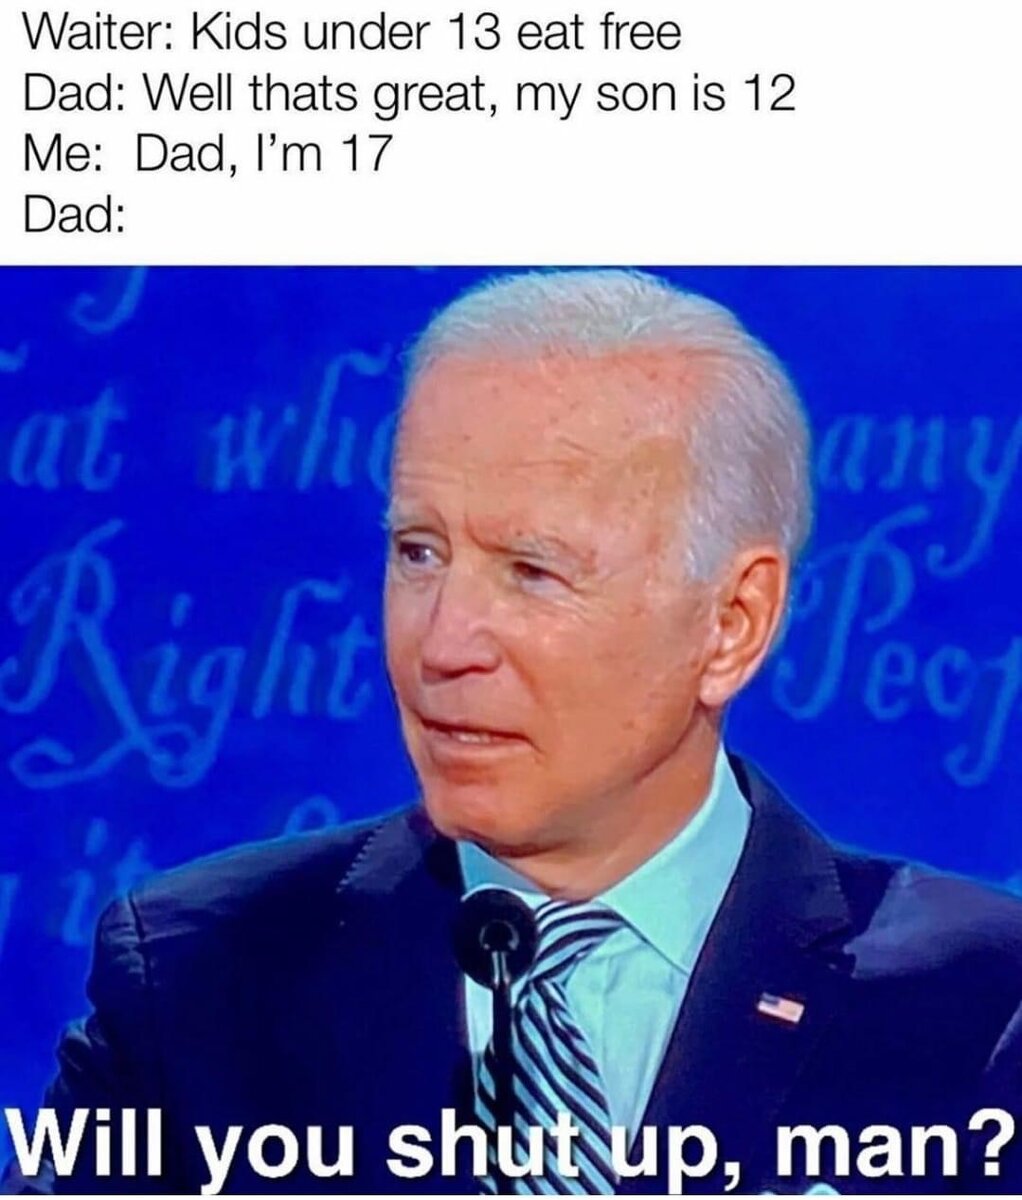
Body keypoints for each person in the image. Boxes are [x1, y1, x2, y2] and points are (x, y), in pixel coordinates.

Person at [6, 269, 1022, 1195]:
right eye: (418, 552)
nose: (442, 643)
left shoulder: (983, 1011)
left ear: (731, 623)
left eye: (531, 572)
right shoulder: (196, 981)